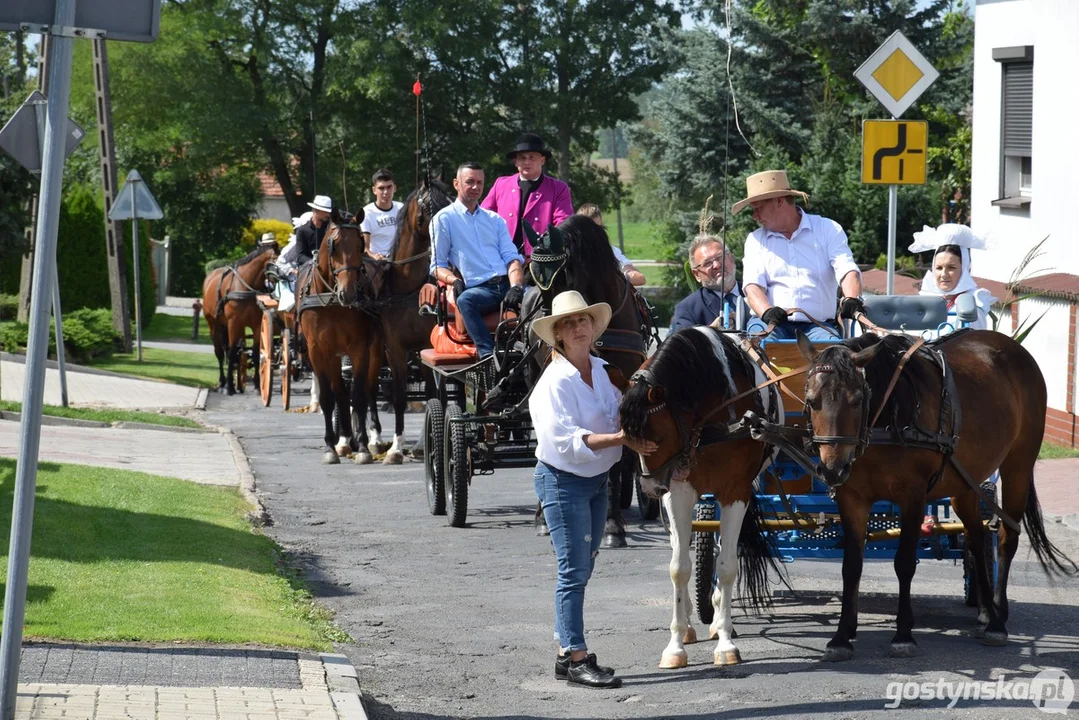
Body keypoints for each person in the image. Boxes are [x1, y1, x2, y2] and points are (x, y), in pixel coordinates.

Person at [528, 290, 657, 689]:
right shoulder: (554, 382)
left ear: (592, 327)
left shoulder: (601, 370)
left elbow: (620, 410)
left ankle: (567, 651)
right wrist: (623, 438)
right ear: (559, 337)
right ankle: (576, 656)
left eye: (582, 320)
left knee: (581, 569)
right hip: (564, 482)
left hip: (596, 483)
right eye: (568, 323)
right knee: (574, 572)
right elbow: (565, 442)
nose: (577, 327)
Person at [736, 170, 864, 340]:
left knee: (833, 356)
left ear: (779, 201)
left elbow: (847, 270)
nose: (755, 217)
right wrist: (767, 312)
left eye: (758, 208)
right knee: (758, 346)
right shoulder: (755, 240)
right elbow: (753, 287)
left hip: (818, 325)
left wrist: (851, 299)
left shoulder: (828, 229)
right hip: (769, 324)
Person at [430, 162, 526, 359]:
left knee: (544, 299)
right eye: (470, 182)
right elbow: (437, 266)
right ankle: (487, 356)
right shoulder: (443, 219)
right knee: (465, 300)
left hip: (508, 285)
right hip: (480, 291)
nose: (475, 187)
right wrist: (454, 280)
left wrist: (517, 286)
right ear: (456, 184)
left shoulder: (495, 220)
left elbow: (512, 258)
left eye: (480, 183)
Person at [481, 133, 574, 258]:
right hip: (502, 254)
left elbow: (563, 222)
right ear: (515, 162)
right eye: (522, 158)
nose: (527, 162)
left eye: (532, 157)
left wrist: (547, 245)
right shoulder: (501, 184)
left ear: (542, 160)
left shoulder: (558, 188)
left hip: (540, 257)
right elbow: (483, 216)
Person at [910, 224, 997, 330]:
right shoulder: (925, 301)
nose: (943, 274)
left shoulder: (972, 306)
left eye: (951, 267)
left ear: (964, 269)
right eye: (939, 268)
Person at [670, 235, 744, 332]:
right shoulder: (688, 309)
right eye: (707, 263)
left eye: (720, 257)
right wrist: (711, 331)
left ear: (731, 258)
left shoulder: (757, 292)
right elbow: (682, 344)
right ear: (697, 275)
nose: (716, 265)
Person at [576, 204, 646, 286]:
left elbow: (640, 278)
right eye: (588, 229)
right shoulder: (571, 255)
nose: (595, 234)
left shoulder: (611, 251)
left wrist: (619, 276)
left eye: (598, 229)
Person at [361, 169, 404, 260]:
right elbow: (364, 248)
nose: (386, 192)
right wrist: (373, 256)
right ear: (374, 190)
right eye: (381, 188)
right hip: (377, 263)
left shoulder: (401, 208)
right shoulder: (367, 213)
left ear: (394, 188)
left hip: (400, 260)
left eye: (389, 187)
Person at [295, 195, 333, 265]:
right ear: (316, 211)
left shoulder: (331, 229)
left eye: (329, 212)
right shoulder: (302, 231)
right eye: (325, 212)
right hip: (309, 269)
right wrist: (315, 262)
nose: (328, 215)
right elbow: (300, 256)